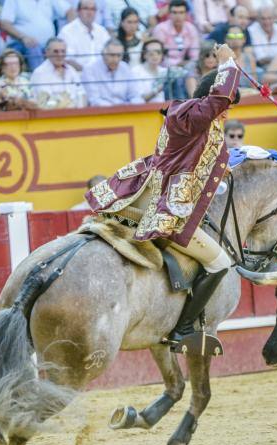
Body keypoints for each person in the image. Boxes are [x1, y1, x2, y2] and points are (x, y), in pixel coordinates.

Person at [84, 43, 241, 350]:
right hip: (166, 209)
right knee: (220, 262)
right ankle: (183, 329)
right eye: (228, 108)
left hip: (159, 198)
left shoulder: (193, 118)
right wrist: (228, 63)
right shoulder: (192, 113)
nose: (226, 113)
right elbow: (219, 98)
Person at [0, 0, 72, 71]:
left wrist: (66, 32)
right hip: (21, 43)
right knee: (34, 48)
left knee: (60, 48)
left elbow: (70, 11)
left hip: (48, 44)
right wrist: (23, 37)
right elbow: (4, 23)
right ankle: (40, 78)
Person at [81, 39, 143, 106]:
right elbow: (94, 99)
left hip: (125, 112)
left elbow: (135, 95)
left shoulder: (125, 67)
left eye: (119, 56)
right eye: (112, 55)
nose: (116, 60)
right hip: (102, 113)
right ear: (103, 53)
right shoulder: (90, 69)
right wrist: (116, 109)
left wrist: (130, 106)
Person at [58, 0, 109, 72]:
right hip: (78, 75)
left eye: (93, 9)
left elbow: (109, 54)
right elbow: (67, 60)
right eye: (86, 8)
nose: (89, 12)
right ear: (78, 11)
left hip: (101, 75)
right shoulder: (67, 32)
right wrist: (87, 72)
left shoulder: (102, 31)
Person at [30, 37, 82, 108]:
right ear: (47, 53)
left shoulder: (71, 70)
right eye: (56, 51)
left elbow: (81, 94)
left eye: (63, 51)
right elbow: (46, 103)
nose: (60, 55)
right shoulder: (40, 73)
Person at [151, 0, 200, 68]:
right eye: (174, 12)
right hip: (164, 68)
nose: (178, 16)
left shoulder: (191, 28)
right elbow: (159, 57)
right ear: (169, 14)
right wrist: (176, 65)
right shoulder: (160, 29)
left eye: (181, 12)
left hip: (186, 67)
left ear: (186, 14)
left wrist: (188, 64)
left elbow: (195, 56)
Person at [131, 38, 167, 103]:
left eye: (158, 52)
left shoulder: (165, 71)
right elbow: (140, 99)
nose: (155, 56)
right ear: (144, 55)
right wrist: (158, 89)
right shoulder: (136, 71)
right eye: (151, 53)